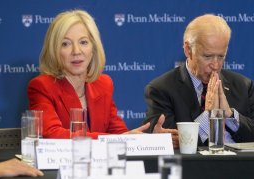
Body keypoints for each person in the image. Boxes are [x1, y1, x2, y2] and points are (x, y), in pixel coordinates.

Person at [27, 9, 172, 140]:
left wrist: (148, 139)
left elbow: (119, 133)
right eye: (65, 44)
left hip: (102, 167)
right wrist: (117, 139)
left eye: (83, 42)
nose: (76, 51)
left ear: (93, 48)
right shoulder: (42, 86)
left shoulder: (103, 84)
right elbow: (53, 134)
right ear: (54, 50)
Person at [143, 14, 254, 146]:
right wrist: (208, 117)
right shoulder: (161, 89)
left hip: (240, 166)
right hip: (194, 167)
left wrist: (229, 115)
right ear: (188, 50)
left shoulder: (243, 86)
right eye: (207, 56)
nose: (216, 65)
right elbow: (169, 143)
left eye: (221, 56)